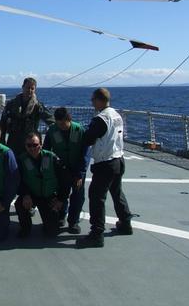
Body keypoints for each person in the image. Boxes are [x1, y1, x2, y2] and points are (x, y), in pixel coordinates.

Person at [77, 88, 134, 248]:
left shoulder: (101, 118)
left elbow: (88, 139)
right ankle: (125, 222)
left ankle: (97, 234)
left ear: (99, 100)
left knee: (96, 198)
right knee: (117, 192)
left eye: (93, 100)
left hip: (105, 163)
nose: (92, 103)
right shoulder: (116, 115)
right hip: (118, 159)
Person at [42, 107, 88, 234]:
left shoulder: (79, 130)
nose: (61, 126)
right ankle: (61, 216)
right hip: (61, 169)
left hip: (77, 168)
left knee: (78, 196)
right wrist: (46, 170)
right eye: (59, 124)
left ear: (69, 120)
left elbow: (85, 154)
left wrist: (80, 173)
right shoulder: (52, 131)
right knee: (62, 193)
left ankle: (73, 222)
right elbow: (46, 151)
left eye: (63, 123)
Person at [15, 132, 70, 238]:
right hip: (31, 195)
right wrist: (25, 195)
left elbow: (65, 181)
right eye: (29, 145)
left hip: (48, 196)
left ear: (40, 144)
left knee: (51, 232)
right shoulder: (21, 160)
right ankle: (25, 228)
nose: (32, 148)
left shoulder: (52, 158)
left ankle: (56, 217)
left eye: (35, 145)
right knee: (19, 204)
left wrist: (60, 199)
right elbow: (19, 181)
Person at [0, 77, 54, 157]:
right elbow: (2, 124)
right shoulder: (11, 105)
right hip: (14, 141)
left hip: (31, 144)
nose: (30, 90)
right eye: (27, 87)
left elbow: (51, 120)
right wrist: (2, 142)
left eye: (32, 88)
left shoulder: (37, 106)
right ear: (23, 87)